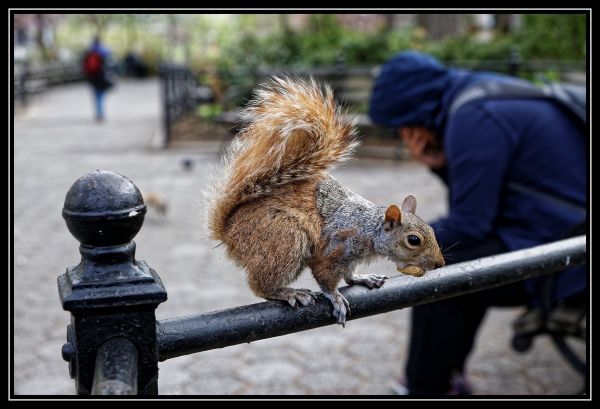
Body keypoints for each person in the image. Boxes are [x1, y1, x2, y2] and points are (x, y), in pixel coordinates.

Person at [368, 51, 587, 395]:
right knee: (461, 258)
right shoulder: (481, 93)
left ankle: (425, 388)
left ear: (413, 119)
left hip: (568, 263)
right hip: (568, 235)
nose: (402, 136)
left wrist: (395, 240)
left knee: (438, 275)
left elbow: (470, 224)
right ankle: (448, 376)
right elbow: (480, 208)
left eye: (400, 128)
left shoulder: (472, 118)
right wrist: (439, 163)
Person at [83, 36, 113, 121]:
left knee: (96, 96)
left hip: (92, 77)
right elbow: (110, 63)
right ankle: (101, 113)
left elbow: (84, 65)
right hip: (102, 76)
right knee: (101, 96)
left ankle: (99, 113)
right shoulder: (103, 51)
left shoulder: (89, 51)